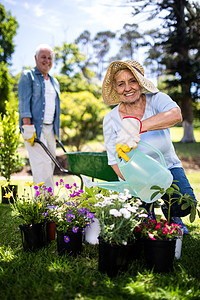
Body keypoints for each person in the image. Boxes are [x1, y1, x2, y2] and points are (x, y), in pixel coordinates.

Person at [102, 59, 197, 235]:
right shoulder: (110, 119)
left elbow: (175, 115)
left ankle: (173, 215)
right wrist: (138, 183)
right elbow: (114, 161)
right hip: (137, 176)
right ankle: (149, 212)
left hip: (167, 167)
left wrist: (136, 126)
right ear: (116, 89)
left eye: (132, 81)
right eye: (121, 84)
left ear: (141, 82)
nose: (127, 87)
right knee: (141, 223)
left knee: (186, 204)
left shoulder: (157, 99)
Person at [18, 44, 60, 189]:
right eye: (43, 57)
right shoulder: (27, 76)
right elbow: (24, 101)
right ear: (36, 59)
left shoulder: (55, 81)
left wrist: (56, 131)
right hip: (34, 128)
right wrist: (27, 126)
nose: (47, 60)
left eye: (50, 58)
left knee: (50, 163)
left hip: (50, 129)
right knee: (41, 164)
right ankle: (47, 203)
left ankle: (41, 201)